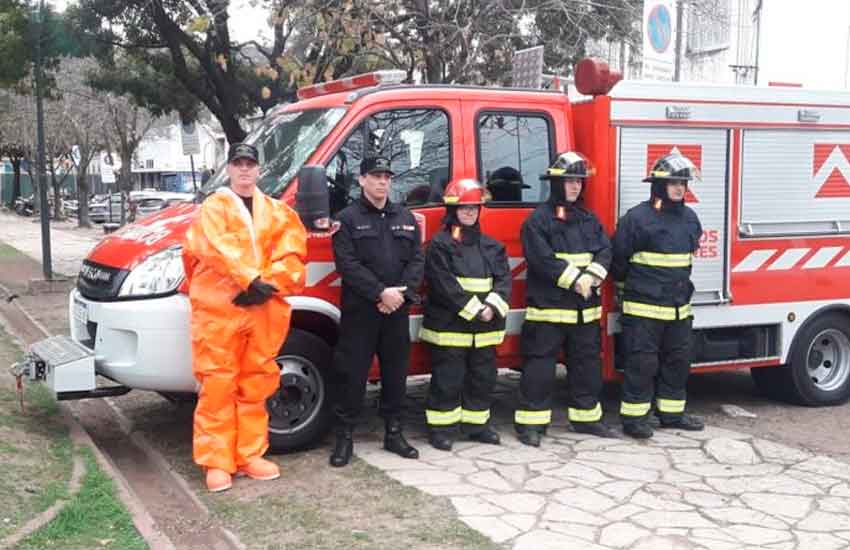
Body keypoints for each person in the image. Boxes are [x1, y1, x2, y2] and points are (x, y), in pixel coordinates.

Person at [182, 143, 307, 492]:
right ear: (229, 168)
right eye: (238, 163)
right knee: (218, 385)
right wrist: (250, 279)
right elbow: (215, 248)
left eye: (250, 164)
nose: (244, 170)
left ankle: (250, 454)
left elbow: (293, 254)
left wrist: (268, 284)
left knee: (256, 382)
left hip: (262, 310)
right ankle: (217, 461)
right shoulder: (213, 208)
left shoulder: (279, 212)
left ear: (259, 169)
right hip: (220, 312)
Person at [329, 155, 425, 467]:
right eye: (375, 176)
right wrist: (379, 292)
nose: (382, 181)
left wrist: (402, 294)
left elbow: (416, 261)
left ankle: (394, 432)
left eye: (386, 176)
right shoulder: (346, 218)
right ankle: (344, 437)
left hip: (396, 309)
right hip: (362, 311)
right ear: (361, 180)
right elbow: (347, 264)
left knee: (396, 374)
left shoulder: (406, 217)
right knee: (352, 375)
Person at [515, 152, 615, 447]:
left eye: (578, 181)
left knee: (586, 367)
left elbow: (605, 249)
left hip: (584, 312)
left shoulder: (588, 218)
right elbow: (542, 260)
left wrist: (595, 276)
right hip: (549, 311)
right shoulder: (537, 221)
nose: (575, 187)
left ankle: (586, 419)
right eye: (569, 181)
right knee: (539, 369)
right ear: (556, 183)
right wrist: (575, 279)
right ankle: (531, 425)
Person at [612, 151, 704, 439]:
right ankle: (634, 419)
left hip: (678, 308)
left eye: (683, 183)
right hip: (644, 309)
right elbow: (618, 262)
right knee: (642, 363)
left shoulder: (690, 218)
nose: (679, 187)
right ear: (658, 185)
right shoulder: (637, 218)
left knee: (678, 361)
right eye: (674, 182)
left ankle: (672, 414)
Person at [420, 179, 511, 451]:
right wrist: (476, 311)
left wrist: (492, 308)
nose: (470, 213)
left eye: (474, 208)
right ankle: (441, 429)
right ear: (452, 210)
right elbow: (444, 285)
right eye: (464, 208)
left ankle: (477, 426)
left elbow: (503, 280)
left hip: (485, 328)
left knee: (482, 378)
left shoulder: (492, 246)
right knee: (448, 379)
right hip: (451, 327)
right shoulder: (440, 244)